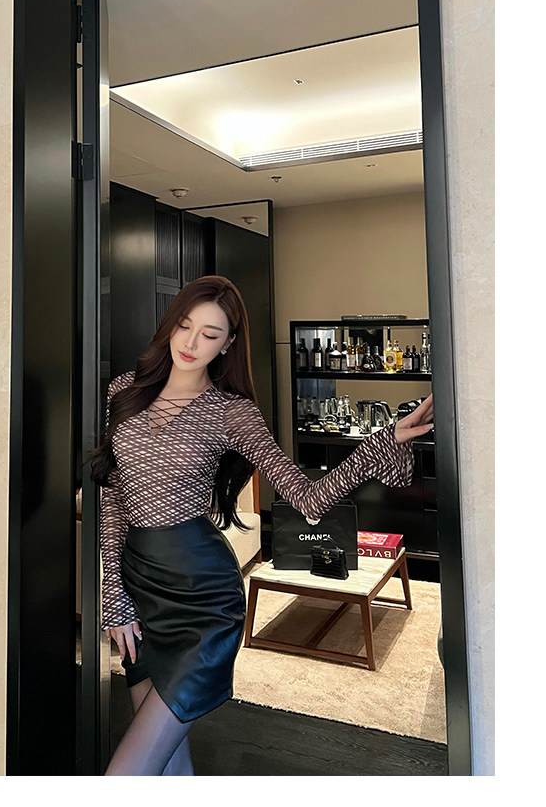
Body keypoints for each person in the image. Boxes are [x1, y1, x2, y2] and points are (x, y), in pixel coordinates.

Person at [89, 276, 433, 776]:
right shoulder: (126, 390)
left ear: (228, 343)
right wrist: (113, 595)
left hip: (202, 599)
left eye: (210, 334)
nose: (191, 343)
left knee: (127, 773)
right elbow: (114, 499)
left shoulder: (232, 412)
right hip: (141, 589)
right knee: (165, 767)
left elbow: (307, 498)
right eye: (184, 326)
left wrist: (381, 443)